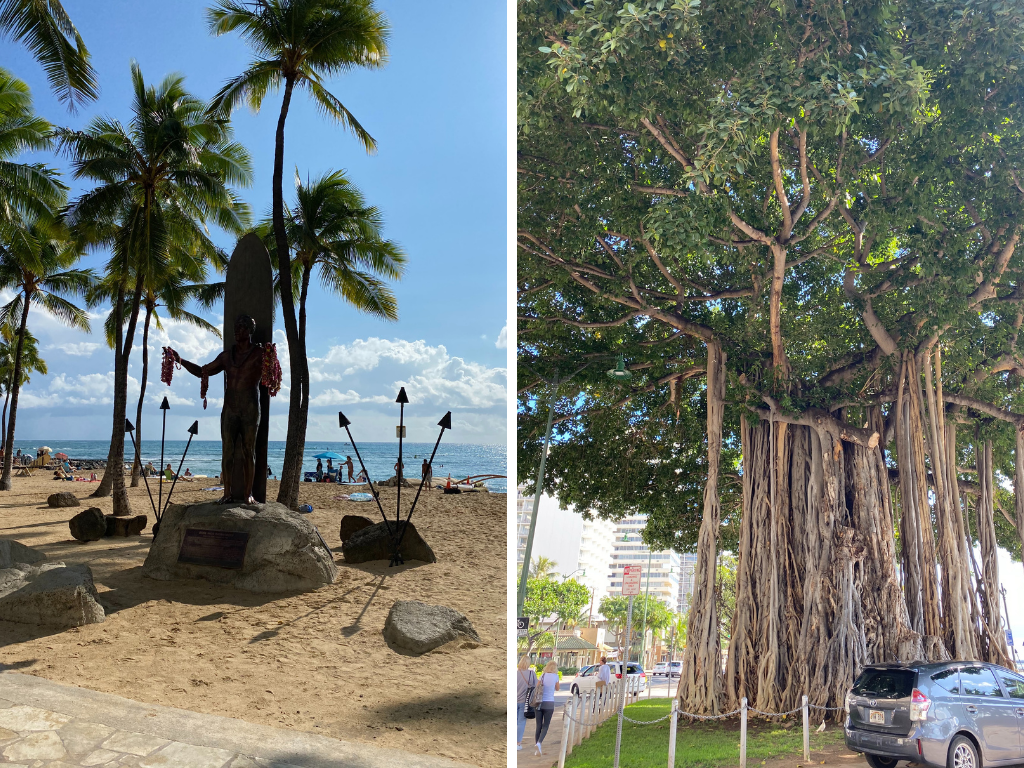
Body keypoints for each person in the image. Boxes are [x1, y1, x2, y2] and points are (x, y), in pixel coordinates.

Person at [169, 314, 267, 504]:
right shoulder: (226, 357)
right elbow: (202, 371)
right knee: (227, 451)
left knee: (249, 451)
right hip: (230, 409)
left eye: (240, 326)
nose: (236, 330)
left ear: (249, 330)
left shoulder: (259, 354)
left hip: (250, 408)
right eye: (235, 327)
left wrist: (271, 358)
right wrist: (180, 360)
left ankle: (248, 494)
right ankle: (227, 493)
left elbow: (272, 375)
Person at [534, 660, 559, 754]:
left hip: (539, 702)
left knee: (538, 725)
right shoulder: (556, 677)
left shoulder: (542, 675)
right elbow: (557, 688)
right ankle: (539, 743)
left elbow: (537, 687)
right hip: (549, 703)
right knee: (546, 725)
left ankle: (537, 747)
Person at [516, 656, 537, 752]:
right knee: (521, 722)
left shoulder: (515, 673)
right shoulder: (531, 674)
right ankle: (517, 743)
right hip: (525, 702)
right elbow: (535, 687)